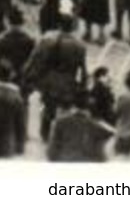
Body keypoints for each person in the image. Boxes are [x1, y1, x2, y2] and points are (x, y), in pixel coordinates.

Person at [24, 14, 88, 142]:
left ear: (59, 25)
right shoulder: (80, 45)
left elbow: (37, 59)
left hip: (50, 81)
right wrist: (83, 86)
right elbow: (83, 69)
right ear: (73, 27)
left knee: (48, 110)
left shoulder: (48, 39)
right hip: (69, 82)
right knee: (65, 110)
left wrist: (30, 76)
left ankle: (46, 136)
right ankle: (63, 136)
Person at [46, 95, 113, 163]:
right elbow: (101, 157)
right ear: (89, 109)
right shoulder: (97, 127)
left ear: (73, 106)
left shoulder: (59, 123)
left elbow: (51, 153)